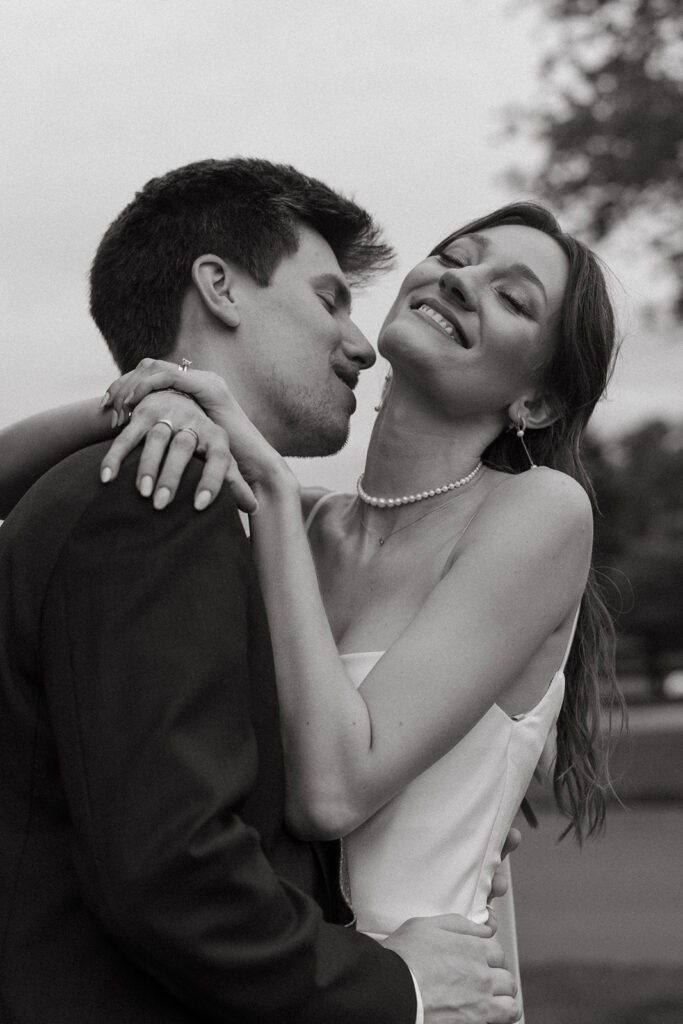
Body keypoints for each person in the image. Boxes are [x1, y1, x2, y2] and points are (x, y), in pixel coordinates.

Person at [0, 159, 520, 1024]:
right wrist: (400, 989)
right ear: (220, 288)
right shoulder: (157, 492)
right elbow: (176, 869)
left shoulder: (224, 509)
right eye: (327, 300)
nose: (361, 345)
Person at [90, 199, 624, 1015]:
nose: (463, 280)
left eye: (514, 298)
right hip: (282, 990)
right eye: (455, 256)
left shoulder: (539, 513)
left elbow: (330, 792)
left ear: (536, 404)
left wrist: (265, 478)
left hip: (425, 996)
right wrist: (159, 397)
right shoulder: (295, 527)